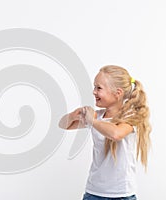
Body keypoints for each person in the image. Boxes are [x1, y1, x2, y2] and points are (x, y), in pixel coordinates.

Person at [59, 65, 151, 200]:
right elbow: (62, 125)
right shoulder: (98, 117)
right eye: (94, 87)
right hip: (94, 192)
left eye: (99, 88)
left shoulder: (131, 117)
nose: (94, 92)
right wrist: (73, 115)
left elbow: (116, 134)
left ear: (117, 93)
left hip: (122, 194)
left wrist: (92, 121)